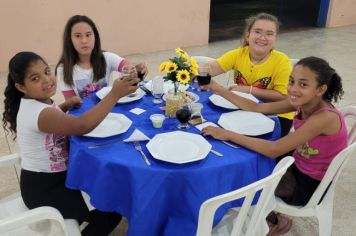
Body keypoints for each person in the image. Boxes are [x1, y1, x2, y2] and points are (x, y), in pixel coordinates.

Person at [200, 56, 347, 235]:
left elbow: (274, 149)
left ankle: (266, 223)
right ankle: (264, 216)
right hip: (296, 163)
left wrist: (227, 134)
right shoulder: (302, 102)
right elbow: (257, 108)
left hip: (306, 185)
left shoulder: (324, 118)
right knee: (248, 161)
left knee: (240, 177)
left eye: (303, 84)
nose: (293, 89)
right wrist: (219, 89)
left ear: (321, 89)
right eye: (292, 81)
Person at [2, 51, 139, 236]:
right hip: (44, 189)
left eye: (47, 71)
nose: (47, 80)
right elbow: (82, 126)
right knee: (111, 210)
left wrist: (63, 106)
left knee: (102, 187)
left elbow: (48, 118)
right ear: (21, 87)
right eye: (35, 78)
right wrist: (114, 94)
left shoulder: (35, 104)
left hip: (46, 179)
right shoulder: (40, 113)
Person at [205, 12, 294, 137]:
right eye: (257, 32)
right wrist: (193, 69)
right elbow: (212, 68)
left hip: (277, 115)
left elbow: (284, 97)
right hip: (244, 108)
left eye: (269, 34)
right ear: (248, 36)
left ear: (275, 39)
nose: (262, 38)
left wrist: (249, 90)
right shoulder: (238, 54)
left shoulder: (281, 61)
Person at [56, 15, 147, 100]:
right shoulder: (63, 69)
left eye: (88, 35)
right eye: (78, 36)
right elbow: (72, 106)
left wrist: (138, 69)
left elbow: (128, 67)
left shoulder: (107, 58)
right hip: (83, 116)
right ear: (69, 39)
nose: (84, 41)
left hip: (109, 112)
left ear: (95, 36)